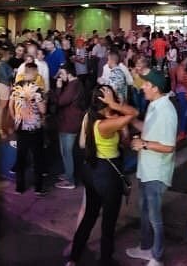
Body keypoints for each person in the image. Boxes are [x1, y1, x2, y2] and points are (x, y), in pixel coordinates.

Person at [66, 86, 138, 266]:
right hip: (106, 174)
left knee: (89, 215)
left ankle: (73, 258)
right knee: (108, 222)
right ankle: (105, 260)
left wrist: (113, 107)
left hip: (91, 169)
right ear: (106, 101)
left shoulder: (92, 117)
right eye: (110, 98)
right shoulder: (105, 124)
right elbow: (133, 113)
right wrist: (115, 103)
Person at [125, 70, 178, 266]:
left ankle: (157, 256)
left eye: (146, 85)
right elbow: (146, 128)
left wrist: (144, 145)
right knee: (145, 210)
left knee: (155, 216)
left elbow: (169, 146)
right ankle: (146, 247)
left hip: (157, 172)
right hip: (147, 169)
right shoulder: (155, 105)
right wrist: (129, 119)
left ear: (155, 88)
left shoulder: (166, 111)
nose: (142, 87)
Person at [10, 62, 49, 196]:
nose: (37, 75)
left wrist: (16, 117)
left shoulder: (16, 87)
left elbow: (11, 105)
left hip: (20, 127)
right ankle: (38, 188)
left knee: (21, 157)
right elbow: (43, 109)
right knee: (38, 158)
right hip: (34, 128)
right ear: (32, 72)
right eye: (36, 73)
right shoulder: (36, 89)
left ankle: (19, 187)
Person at [50, 63, 84, 190]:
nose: (60, 76)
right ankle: (68, 173)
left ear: (69, 73)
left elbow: (60, 101)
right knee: (65, 151)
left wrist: (58, 89)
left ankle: (70, 180)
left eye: (62, 73)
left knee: (66, 152)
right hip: (69, 121)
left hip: (69, 123)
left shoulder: (72, 86)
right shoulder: (76, 83)